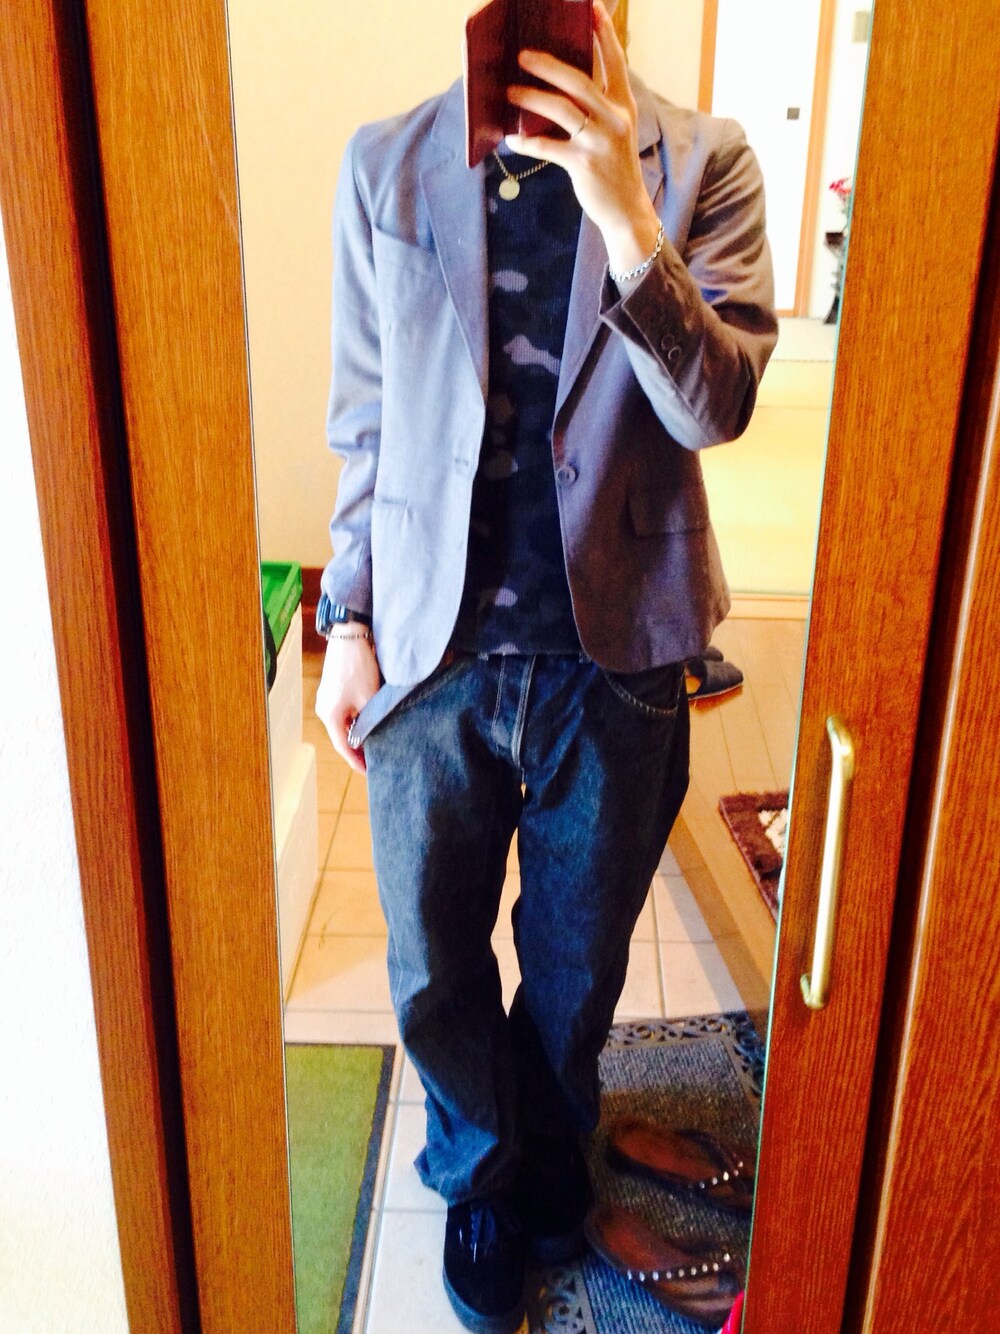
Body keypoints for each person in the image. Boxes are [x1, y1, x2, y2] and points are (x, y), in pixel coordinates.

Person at [315, 4, 776, 1330]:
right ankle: (476, 1173)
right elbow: (367, 421)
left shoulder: (706, 163)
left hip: (615, 659)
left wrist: (627, 217)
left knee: (578, 961)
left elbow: (716, 407)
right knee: (432, 968)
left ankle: (557, 1150)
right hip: (430, 659)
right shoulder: (385, 165)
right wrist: (347, 620)